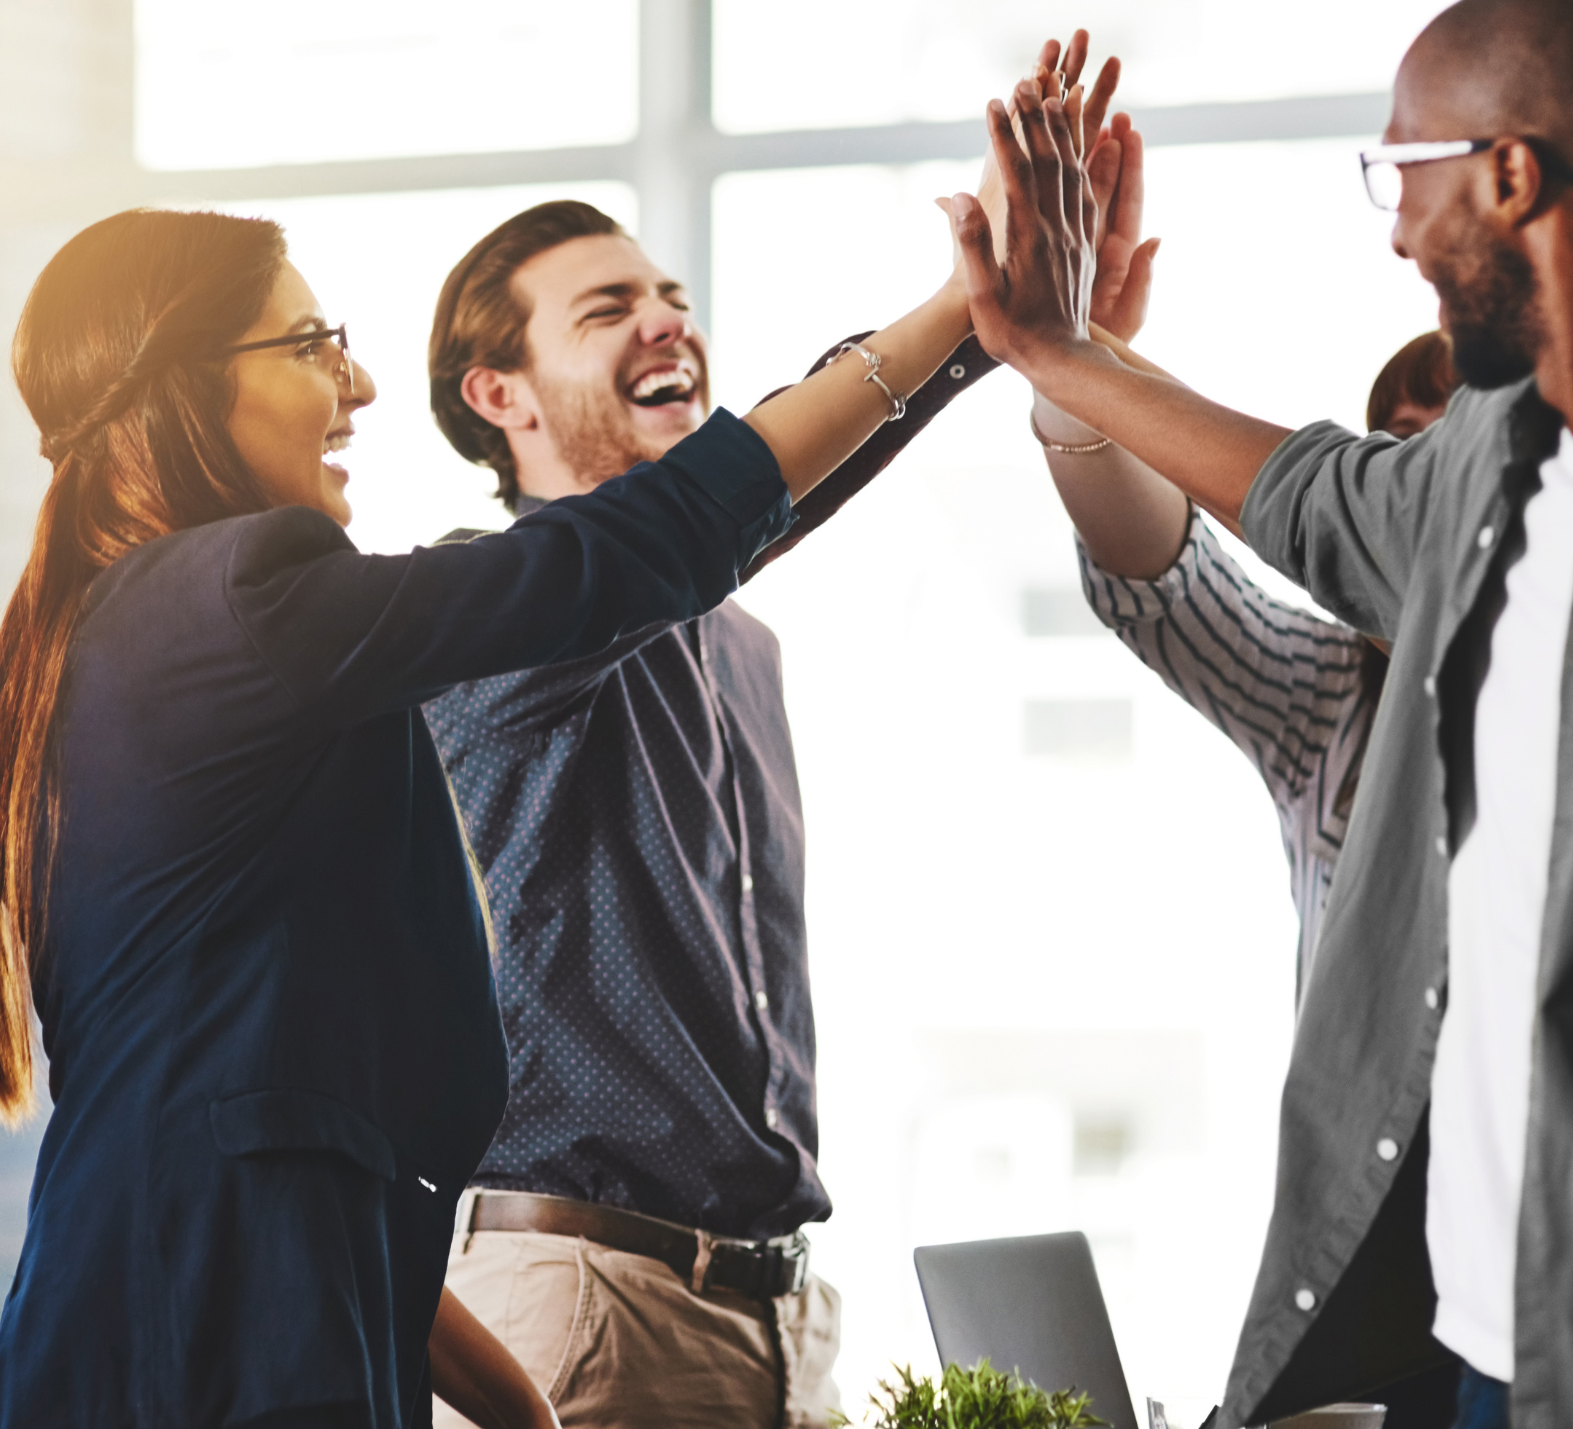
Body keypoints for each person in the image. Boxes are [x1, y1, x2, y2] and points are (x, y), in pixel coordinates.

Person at [0, 206, 981, 1429]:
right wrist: (958, 321)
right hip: (211, 1330)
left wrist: (515, 1404)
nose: (357, 381)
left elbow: (284, 1111)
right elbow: (619, 554)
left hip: (244, 1305)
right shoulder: (228, 603)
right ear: (180, 380)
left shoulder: (155, 642)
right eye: (310, 344)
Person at [415, 41, 1124, 1429]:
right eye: (607, 307)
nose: (666, 322)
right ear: (497, 394)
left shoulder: (741, 644)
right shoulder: (482, 621)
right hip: (582, 1302)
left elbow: (740, 522)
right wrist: (967, 323)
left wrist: (1015, 335)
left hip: (775, 1313)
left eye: (675, 296)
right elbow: (744, 499)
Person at [951, 1, 1573, 1423]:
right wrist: (1064, 354)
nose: (1396, 232)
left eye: (1402, 171)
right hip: (1472, 1332)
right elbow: (1297, 490)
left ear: (1507, 175)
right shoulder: (1491, 470)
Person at [1048, 329, 1457, 1006]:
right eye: (1401, 445)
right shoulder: (1332, 697)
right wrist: (1073, 359)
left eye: (1462, 436)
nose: (1425, 473)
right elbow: (1162, 587)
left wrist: (1073, 355)